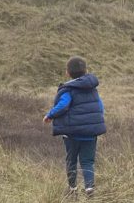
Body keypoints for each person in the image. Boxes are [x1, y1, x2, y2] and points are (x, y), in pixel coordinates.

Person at [43, 56, 106, 195]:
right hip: (90, 133)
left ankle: (72, 189)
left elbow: (63, 105)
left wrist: (49, 115)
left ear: (67, 72)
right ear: (86, 71)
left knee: (71, 160)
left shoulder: (68, 89)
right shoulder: (92, 89)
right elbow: (100, 107)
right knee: (88, 161)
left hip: (72, 133)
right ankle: (89, 188)